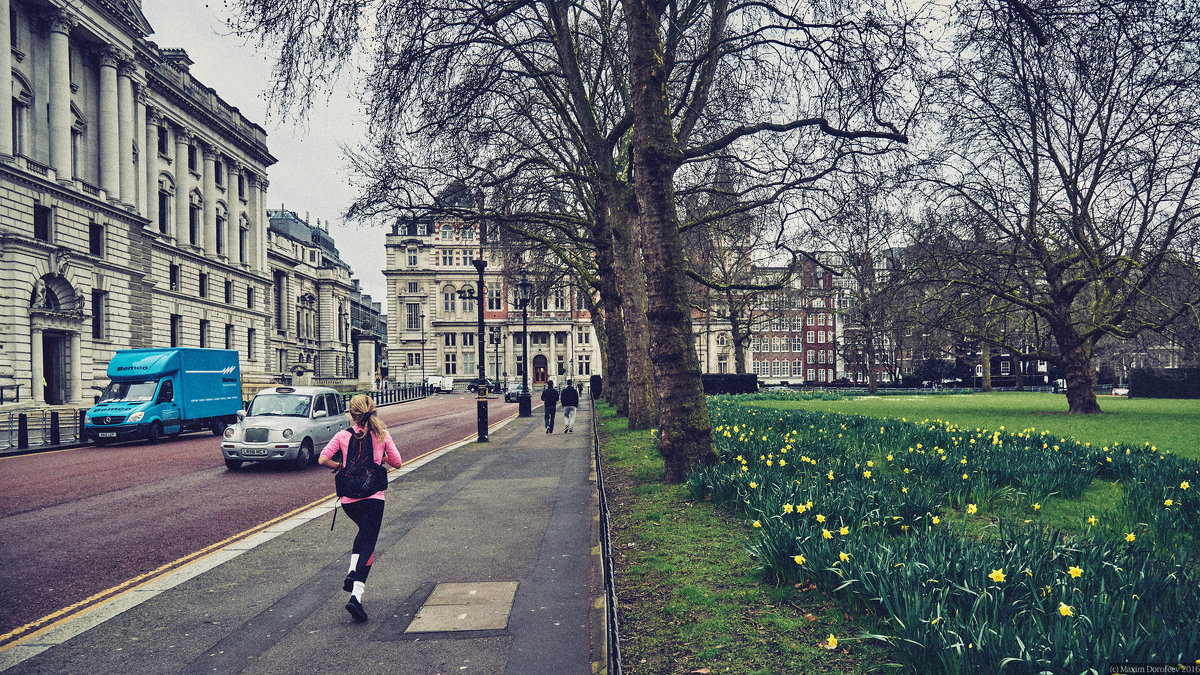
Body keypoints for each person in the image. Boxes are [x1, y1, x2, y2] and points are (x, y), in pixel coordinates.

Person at [318, 394, 403, 623]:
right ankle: (356, 596)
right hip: (373, 497)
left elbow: (323, 459)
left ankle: (352, 571)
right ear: (373, 412)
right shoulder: (382, 434)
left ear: (351, 414)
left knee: (362, 533)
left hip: (348, 500)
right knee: (369, 542)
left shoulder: (342, 435)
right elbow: (398, 462)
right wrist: (381, 458)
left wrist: (341, 467)